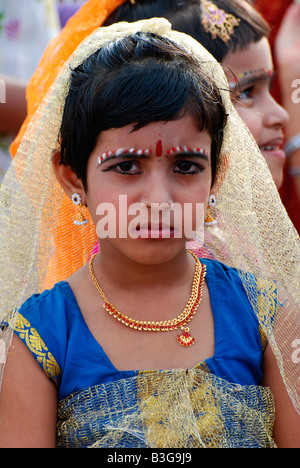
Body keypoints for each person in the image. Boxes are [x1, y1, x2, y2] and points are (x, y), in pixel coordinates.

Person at [0, 19, 299, 448]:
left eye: (186, 167)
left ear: (216, 177)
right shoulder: (40, 338)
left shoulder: (270, 318)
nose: (159, 199)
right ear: (72, 178)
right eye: (126, 167)